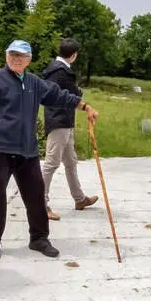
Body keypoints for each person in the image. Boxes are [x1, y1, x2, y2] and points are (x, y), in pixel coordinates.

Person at [0, 40, 99, 261]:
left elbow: (59, 95)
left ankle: (39, 238)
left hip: (28, 151)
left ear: (28, 59)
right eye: (12, 54)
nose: (16, 58)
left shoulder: (34, 83)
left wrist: (84, 106)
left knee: (36, 196)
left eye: (21, 55)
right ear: (6, 56)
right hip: (0, 149)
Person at [40, 37, 99, 221]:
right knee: (51, 163)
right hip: (58, 121)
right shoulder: (61, 72)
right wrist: (81, 96)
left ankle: (79, 198)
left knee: (71, 162)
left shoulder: (54, 69)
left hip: (63, 120)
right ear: (74, 55)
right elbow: (73, 94)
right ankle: (41, 203)